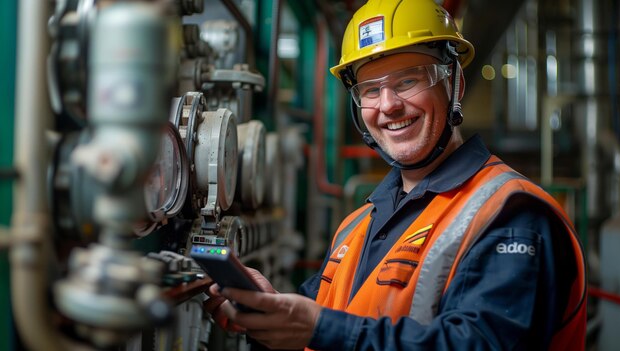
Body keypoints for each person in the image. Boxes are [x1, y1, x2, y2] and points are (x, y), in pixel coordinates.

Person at [207, 0, 587, 349]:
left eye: (408, 80)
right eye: (371, 90)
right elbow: (319, 324)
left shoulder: (509, 213)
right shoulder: (356, 226)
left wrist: (319, 328)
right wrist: (267, 311)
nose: (388, 106)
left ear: (454, 84)